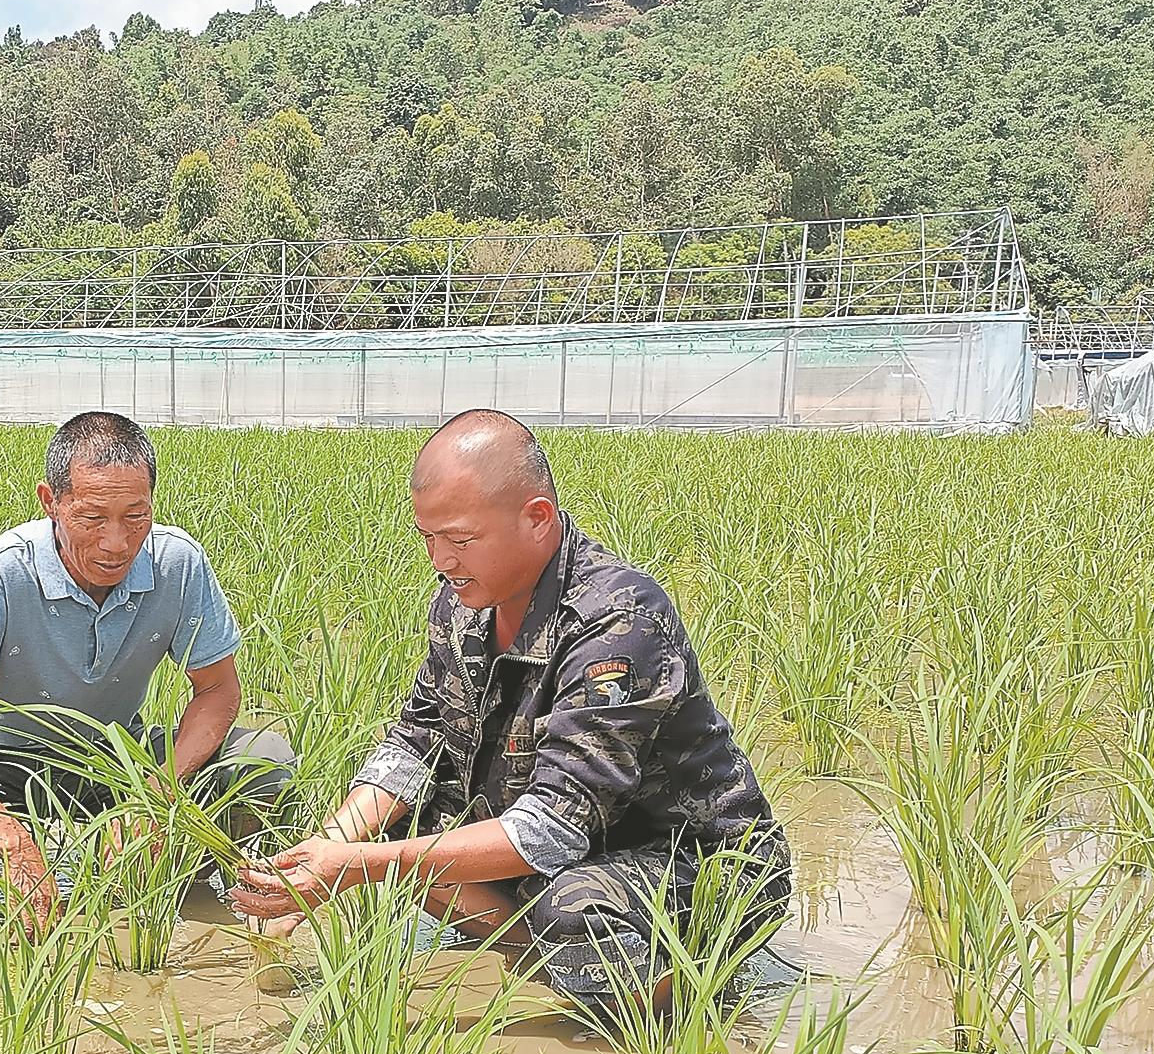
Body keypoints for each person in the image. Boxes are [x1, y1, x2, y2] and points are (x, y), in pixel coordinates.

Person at [230, 409, 788, 1021]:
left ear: (536, 518)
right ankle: (534, 952)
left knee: (571, 911)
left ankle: (685, 1000)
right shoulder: (462, 602)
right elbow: (415, 740)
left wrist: (355, 869)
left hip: (691, 861)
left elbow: (554, 826)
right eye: (429, 539)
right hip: (574, 843)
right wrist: (320, 855)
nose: (441, 560)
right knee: (386, 828)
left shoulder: (617, 622)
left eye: (461, 540)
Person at [0, 411, 292, 924]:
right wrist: (11, 839)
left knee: (263, 757)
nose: (117, 543)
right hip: (2, 756)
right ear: (50, 502)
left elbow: (218, 691)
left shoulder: (177, 563)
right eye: (93, 518)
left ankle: (180, 890)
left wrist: (156, 796)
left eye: (135, 516)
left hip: (118, 754)